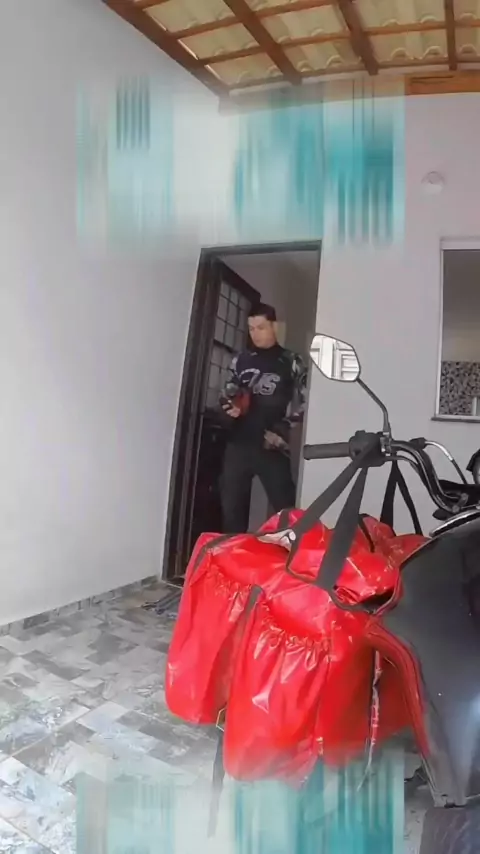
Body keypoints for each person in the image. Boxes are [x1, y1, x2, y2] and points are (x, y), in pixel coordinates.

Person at [219, 303, 307, 534]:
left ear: (274, 326)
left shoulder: (292, 361)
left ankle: (292, 553)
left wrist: (283, 428)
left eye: (261, 327)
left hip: (272, 444)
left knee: (286, 512)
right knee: (231, 512)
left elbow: (304, 402)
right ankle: (235, 555)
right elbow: (227, 392)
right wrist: (231, 406)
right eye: (251, 328)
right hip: (239, 444)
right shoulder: (241, 360)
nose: (255, 333)